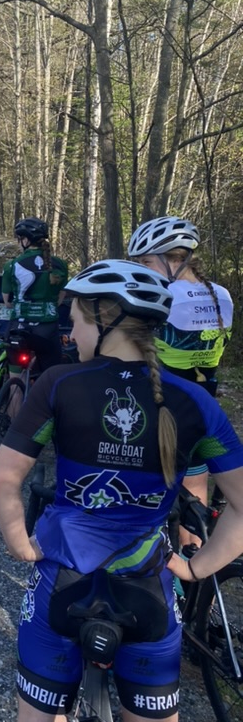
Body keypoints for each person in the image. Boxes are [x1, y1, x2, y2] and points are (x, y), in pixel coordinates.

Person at [0, 259, 243, 722]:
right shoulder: (196, 403)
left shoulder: (60, 383)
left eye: (77, 319)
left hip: (63, 581)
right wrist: (196, 567)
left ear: (106, 318)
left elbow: (3, 482)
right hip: (147, 589)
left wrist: (21, 544)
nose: (70, 332)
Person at [128, 216, 234, 507]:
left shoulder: (162, 295)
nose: (142, 270)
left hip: (160, 405)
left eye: (146, 262)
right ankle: (193, 549)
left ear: (173, 259)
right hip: (203, 401)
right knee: (194, 485)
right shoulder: (222, 295)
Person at [1, 217, 68, 373]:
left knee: (15, 376)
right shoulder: (60, 265)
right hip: (47, 330)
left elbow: (7, 302)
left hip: (19, 327)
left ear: (25, 240)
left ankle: (15, 392)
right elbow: (59, 300)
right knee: (49, 377)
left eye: (19, 239)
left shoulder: (12, 265)